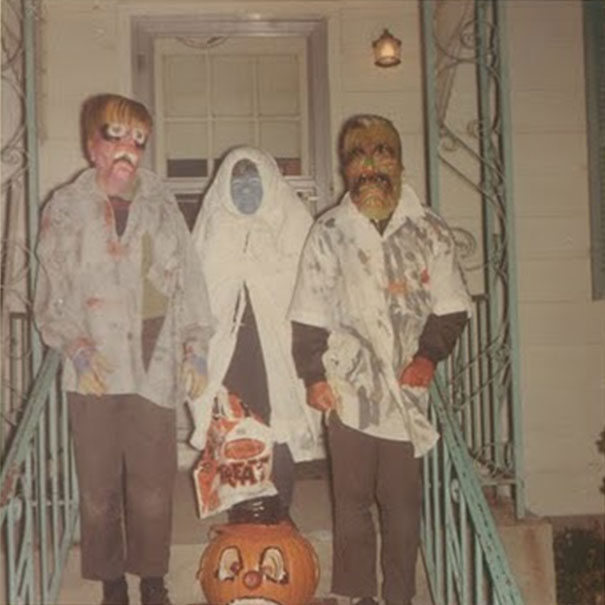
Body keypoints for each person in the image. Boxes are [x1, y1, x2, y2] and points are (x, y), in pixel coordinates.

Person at [34, 93, 212, 605]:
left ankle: (152, 576)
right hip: (94, 366)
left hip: (154, 365)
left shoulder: (161, 202)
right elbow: (53, 292)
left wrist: (195, 345)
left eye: (138, 140)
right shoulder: (66, 208)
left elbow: (189, 280)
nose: (128, 150)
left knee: (154, 485)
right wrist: (78, 348)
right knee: (98, 486)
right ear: (93, 145)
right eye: (116, 136)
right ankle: (112, 578)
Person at [289, 114, 472, 605]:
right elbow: (308, 313)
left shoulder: (429, 229)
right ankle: (356, 595)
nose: (370, 169)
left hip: (405, 389)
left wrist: (429, 357)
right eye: (358, 159)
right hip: (347, 388)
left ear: (400, 162)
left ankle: (399, 597)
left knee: (402, 504)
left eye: (382, 155)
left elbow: (453, 306)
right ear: (345, 170)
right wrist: (313, 376)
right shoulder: (328, 231)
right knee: (350, 503)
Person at [189, 145, 323, 521]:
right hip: (228, 348)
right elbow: (195, 290)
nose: (246, 190)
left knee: (276, 424)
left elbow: (313, 287)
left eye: (253, 181)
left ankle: (280, 510)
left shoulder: (292, 224)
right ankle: (243, 511)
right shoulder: (212, 227)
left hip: (277, 345)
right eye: (237, 182)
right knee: (235, 426)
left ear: (269, 183)